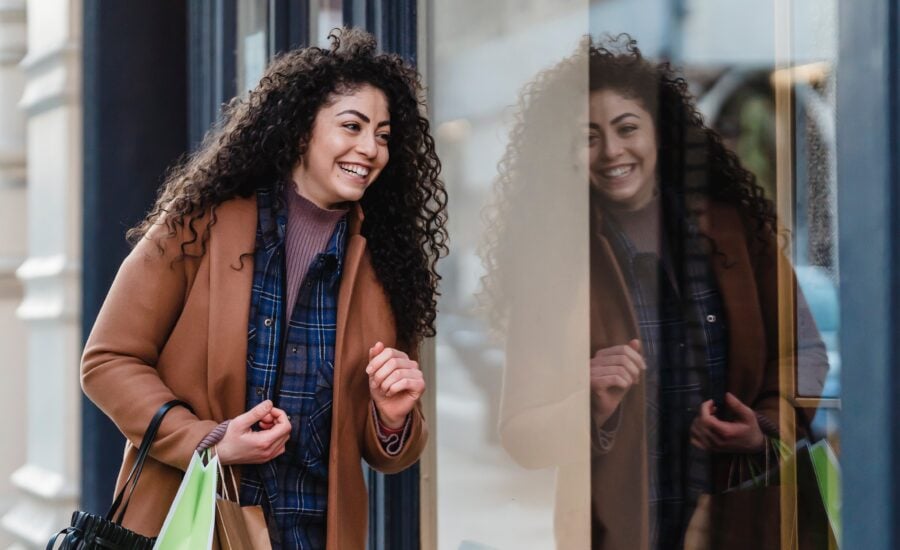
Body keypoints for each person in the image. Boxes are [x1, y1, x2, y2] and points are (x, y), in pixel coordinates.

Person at [81, 28, 447, 550]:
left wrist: (392, 416)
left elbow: (387, 451)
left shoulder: (388, 262)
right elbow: (107, 361)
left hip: (314, 535)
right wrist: (208, 441)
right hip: (190, 525)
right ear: (301, 132)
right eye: (352, 126)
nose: (370, 149)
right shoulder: (198, 225)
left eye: (383, 135)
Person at [487, 36, 828, 549]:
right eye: (588, 136)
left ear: (660, 134)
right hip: (620, 531)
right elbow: (520, 435)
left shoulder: (736, 231)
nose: (612, 151)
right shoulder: (556, 261)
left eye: (627, 128)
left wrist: (764, 429)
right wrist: (589, 402)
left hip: (747, 520)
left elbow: (802, 351)